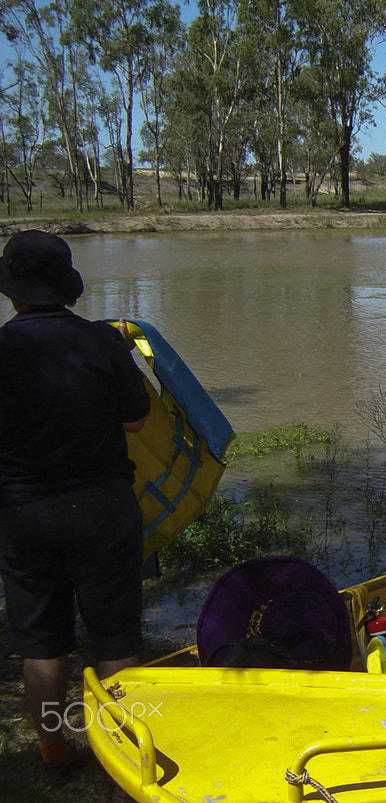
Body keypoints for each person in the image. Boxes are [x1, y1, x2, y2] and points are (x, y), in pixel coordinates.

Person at [0, 230, 150, 777]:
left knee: (41, 641)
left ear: (11, 292)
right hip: (99, 506)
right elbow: (135, 419)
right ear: (66, 288)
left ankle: (54, 752)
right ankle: (124, 757)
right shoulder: (101, 342)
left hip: (20, 513)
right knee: (115, 635)